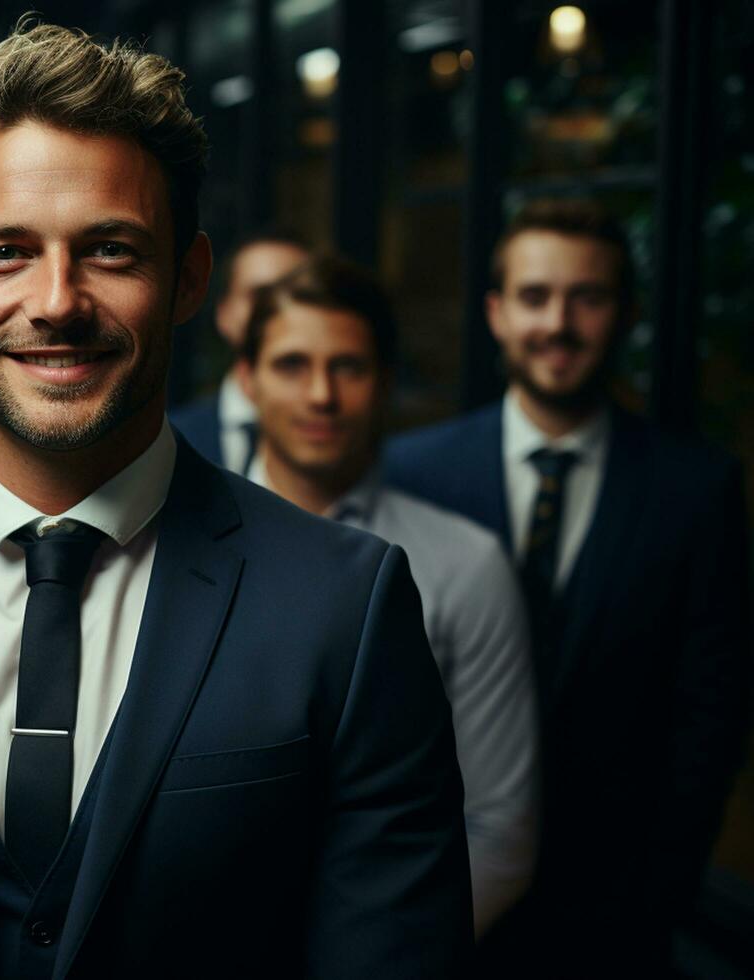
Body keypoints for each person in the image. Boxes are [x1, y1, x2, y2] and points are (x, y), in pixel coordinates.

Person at [0, 21, 472, 978]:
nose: (57, 300)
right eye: (5, 252)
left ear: (188, 278)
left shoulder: (345, 608)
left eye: (110, 250)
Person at [384, 199, 751, 973]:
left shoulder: (697, 490)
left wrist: (662, 893)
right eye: (535, 296)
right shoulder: (412, 474)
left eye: (588, 298)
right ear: (496, 312)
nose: (559, 322)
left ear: (625, 315)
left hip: (616, 917)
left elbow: (708, 715)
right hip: (439, 896)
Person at [237, 253, 539, 937]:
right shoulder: (166, 538)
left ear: (385, 383)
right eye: (291, 365)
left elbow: (500, 833)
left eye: (348, 367)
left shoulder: (467, 565)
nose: (321, 395)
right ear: (247, 379)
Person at [171, 231, 307, 471]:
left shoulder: (353, 442)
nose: (280, 311)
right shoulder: (173, 438)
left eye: (300, 295)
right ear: (224, 314)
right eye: (261, 295)